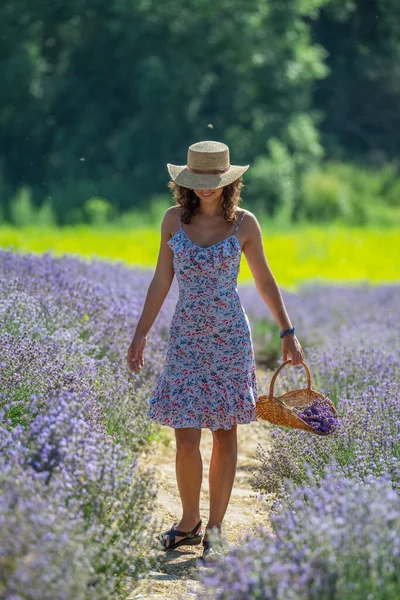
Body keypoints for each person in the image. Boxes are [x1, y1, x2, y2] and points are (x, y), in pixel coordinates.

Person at [127, 140, 304, 563]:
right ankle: (189, 523)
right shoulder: (173, 221)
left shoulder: (245, 224)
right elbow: (160, 282)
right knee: (185, 437)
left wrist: (287, 331)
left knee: (225, 434)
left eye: (214, 180)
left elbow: (265, 281)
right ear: (186, 182)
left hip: (228, 340)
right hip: (186, 338)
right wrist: (140, 334)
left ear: (229, 181)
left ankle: (217, 531)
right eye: (198, 180)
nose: (206, 188)